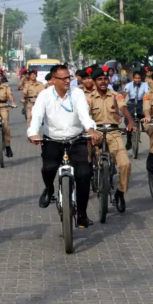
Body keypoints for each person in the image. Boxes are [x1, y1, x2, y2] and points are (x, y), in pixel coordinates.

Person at [27, 64, 102, 229]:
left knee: (84, 174)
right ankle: (49, 189)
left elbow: (84, 113)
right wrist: (33, 133)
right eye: (63, 78)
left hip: (76, 139)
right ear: (53, 80)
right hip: (52, 140)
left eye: (69, 77)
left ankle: (82, 213)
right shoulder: (44, 95)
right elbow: (37, 115)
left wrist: (90, 129)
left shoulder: (77, 93)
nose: (67, 81)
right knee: (49, 168)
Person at [86, 66, 136, 211]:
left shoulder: (115, 95)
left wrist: (130, 122)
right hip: (97, 132)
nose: (103, 81)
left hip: (114, 132)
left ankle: (120, 193)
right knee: (88, 150)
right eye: (99, 79)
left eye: (105, 79)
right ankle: (90, 170)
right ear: (95, 82)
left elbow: (124, 109)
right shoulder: (88, 98)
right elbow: (84, 115)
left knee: (125, 164)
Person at [0, 68, 17, 158]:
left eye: (0, 76)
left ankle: (8, 147)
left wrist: (13, 103)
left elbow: (10, 95)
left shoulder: (6, 86)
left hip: (4, 107)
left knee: (6, 127)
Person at [123, 70, 150, 150]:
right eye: (135, 78)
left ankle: (142, 128)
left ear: (141, 78)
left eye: (139, 78)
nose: (137, 80)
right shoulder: (128, 85)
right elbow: (125, 94)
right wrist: (122, 103)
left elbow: (147, 94)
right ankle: (128, 141)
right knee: (128, 119)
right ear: (133, 78)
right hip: (131, 102)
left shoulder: (145, 85)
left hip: (141, 102)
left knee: (144, 117)